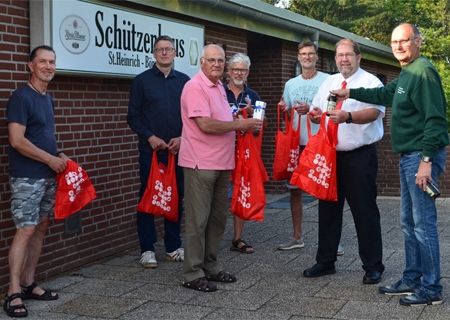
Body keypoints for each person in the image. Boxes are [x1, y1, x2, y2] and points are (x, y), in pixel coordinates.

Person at [332, 24, 449, 306]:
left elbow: (435, 120)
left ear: (418, 42)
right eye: (394, 41)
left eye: (404, 41)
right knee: (409, 223)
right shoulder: (408, 72)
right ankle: (412, 277)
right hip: (409, 156)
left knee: (423, 224)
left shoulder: (423, 71)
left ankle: (431, 288)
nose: (398, 46)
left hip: (420, 156)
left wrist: (426, 162)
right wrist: (350, 94)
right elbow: (384, 96)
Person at [179, 44, 263, 292]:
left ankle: (211, 267)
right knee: (198, 221)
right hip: (200, 163)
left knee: (216, 221)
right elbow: (205, 124)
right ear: (202, 62)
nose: (216, 64)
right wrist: (242, 125)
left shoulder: (217, 88)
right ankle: (192, 273)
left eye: (220, 60)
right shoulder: (195, 87)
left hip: (222, 162)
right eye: (212, 60)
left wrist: (243, 117)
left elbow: (225, 119)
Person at [302, 39, 386, 285]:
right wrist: (315, 115)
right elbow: (319, 113)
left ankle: (373, 266)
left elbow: (375, 112)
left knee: (364, 212)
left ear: (359, 58)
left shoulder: (371, 82)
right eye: (340, 55)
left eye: (349, 54)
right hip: (330, 155)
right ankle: (326, 262)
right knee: (327, 210)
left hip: (359, 157)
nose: (344, 59)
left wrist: (348, 116)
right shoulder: (329, 81)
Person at [4, 45, 66, 318]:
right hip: (27, 176)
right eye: (42, 62)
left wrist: (58, 155)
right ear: (31, 66)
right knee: (26, 229)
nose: (48, 66)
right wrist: (49, 160)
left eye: (52, 62)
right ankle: (13, 291)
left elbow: (42, 135)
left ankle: (29, 282)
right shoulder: (21, 97)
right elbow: (17, 140)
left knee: (41, 226)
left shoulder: (47, 98)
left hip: (47, 174)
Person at [276, 41, 344, 255]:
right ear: (298, 57)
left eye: (311, 54)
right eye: (303, 54)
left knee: (325, 192)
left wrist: (313, 113)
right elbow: (287, 117)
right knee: (294, 191)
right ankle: (297, 237)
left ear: (316, 57)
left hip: (320, 143)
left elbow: (334, 110)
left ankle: (332, 241)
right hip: (297, 143)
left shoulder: (329, 80)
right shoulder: (290, 84)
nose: (307, 57)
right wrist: (284, 110)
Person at [127, 35, 189, 268]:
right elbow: (132, 117)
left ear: (175, 53)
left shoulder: (184, 81)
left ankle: (173, 247)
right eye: (160, 49)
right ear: (153, 54)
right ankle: (147, 249)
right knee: (148, 197)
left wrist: (182, 138)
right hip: (150, 152)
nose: (164, 53)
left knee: (176, 198)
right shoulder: (141, 81)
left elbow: (191, 117)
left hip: (177, 152)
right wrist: (150, 137)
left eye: (168, 49)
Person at [224, 53, 259, 254]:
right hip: (221, 150)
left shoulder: (253, 95)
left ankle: (237, 238)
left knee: (240, 193)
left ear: (247, 73)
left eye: (243, 70)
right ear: (228, 71)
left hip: (244, 153)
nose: (239, 73)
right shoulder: (219, 92)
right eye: (235, 69)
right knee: (220, 196)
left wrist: (253, 115)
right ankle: (213, 236)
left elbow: (261, 127)